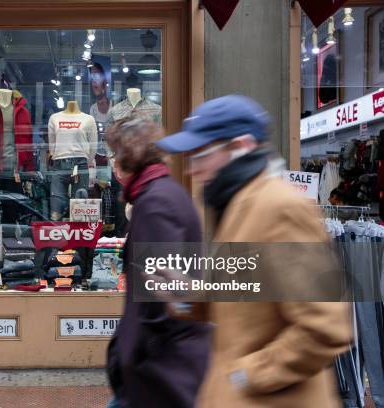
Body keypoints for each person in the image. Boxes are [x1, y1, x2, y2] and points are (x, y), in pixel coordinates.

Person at [156, 94, 352, 407]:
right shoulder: (239, 204)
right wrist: (188, 296)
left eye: (201, 155)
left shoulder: (280, 207)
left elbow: (325, 327)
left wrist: (247, 375)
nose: (192, 170)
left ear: (241, 147)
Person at [105, 118, 211, 408]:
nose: (113, 163)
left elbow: (160, 295)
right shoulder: (162, 194)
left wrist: (129, 356)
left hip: (157, 375)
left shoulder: (155, 203)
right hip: (161, 369)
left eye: (116, 153)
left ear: (129, 156)